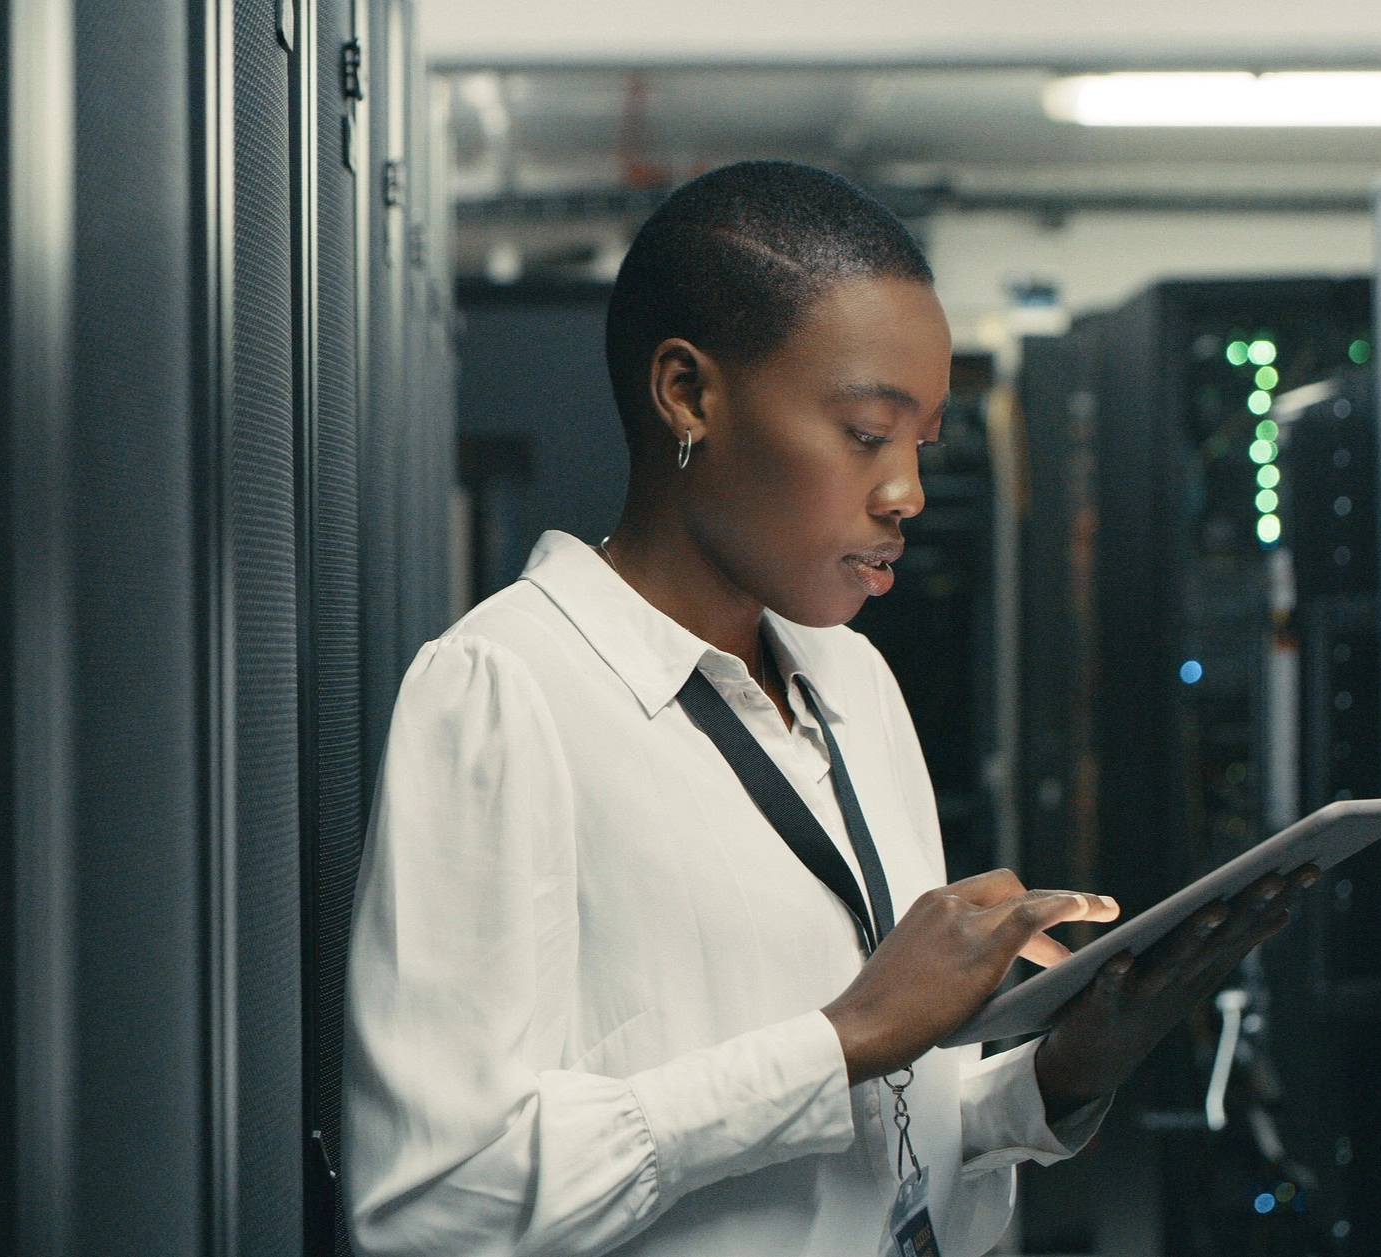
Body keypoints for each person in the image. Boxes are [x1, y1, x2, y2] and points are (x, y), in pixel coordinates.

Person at [340, 160, 1317, 1257]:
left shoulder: (850, 677)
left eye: (924, 443)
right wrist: (841, 1041)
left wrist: (1052, 1078)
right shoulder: (505, 690)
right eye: (865, 434)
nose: (906, 491)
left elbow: (884, 1139)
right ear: (688, 394)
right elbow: (429, 1206)